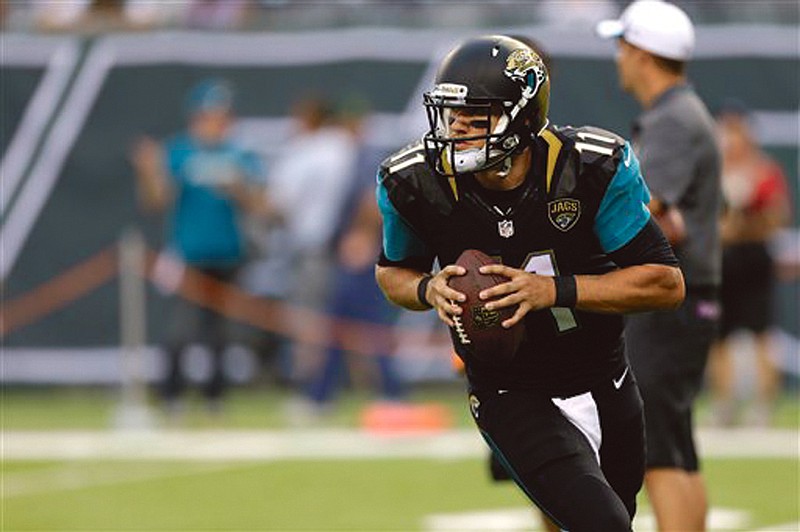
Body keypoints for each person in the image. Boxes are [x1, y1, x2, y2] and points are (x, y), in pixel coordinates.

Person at [375, 35, 685, 531]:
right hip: (509, 388)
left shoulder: (589, 167)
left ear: (520, 118)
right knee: (602, 523)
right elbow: (392, 271)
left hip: (603, 375)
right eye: (452, 116)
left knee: (612, 516)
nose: (457, 131)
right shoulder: (416, 181)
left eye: (476, 118)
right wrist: (425, 289)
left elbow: (665, 284)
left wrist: (554, 290)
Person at [597, 2, 722, 530]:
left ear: (642, 53)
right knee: (676, 445)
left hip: (671, 298)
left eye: (623, 46)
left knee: (657, 449)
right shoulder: (681, 114)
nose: (619, 58)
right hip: (693, 295)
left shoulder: (673, 119)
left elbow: (645, 210)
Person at [131, 78, 265, 413]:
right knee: (182, 329)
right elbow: (156, 201)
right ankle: (171, 395)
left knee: (220, 332)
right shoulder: (179, 151)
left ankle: (215, 397)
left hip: (228, 251)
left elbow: (261, 204)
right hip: (189, 252)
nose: (221, 122)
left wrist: (238, 188)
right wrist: (149, 171)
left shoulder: (240, 152)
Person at [707, 99, 791, 427]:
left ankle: (762, 405)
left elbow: (779, 216)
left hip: (753, 256)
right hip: (722, 257)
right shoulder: (714, 172)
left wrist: (748, 220)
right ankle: (723, 403)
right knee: (718, 334)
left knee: (761, 332)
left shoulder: (764, 170)